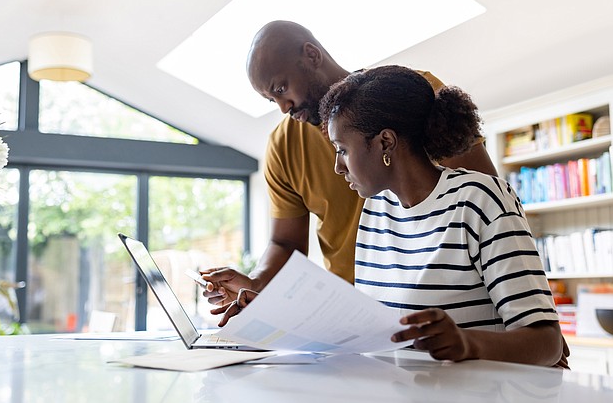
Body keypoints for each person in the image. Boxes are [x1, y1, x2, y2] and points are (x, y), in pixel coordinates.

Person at [215, 65, 568, 368]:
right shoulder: (376, 212)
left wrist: (466, 343)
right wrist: (274, 315)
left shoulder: (480, 199)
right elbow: (371, 330)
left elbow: (547, 343)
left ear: (385, 143)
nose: (338, 166)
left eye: (342, 150)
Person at [201, 21, 497, 307]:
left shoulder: (410, 95)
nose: (283, 107)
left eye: (281, 89)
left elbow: (487, 199)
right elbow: (285, 244)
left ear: (312, 55)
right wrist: (254, 285)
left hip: (443, 299)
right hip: (355, 313)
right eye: (271, 100)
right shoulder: (282, 145)